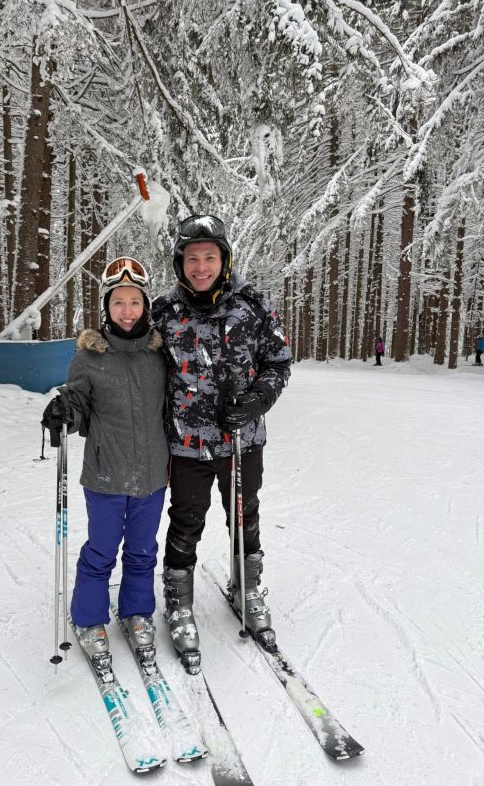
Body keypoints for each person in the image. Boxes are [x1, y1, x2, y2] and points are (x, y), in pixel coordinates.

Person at [152, 214, 292, 667]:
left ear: (224, 260)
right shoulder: (164, 312)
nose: (200, 267)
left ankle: (246, 587)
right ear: (180, 263)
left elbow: (279, 363)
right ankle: (178, 601)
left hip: (241, 441)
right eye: (192, 258)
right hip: (186, 445)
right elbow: (133, 364)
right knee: (186, 519)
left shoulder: (252, 306)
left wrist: (256, 401)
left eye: (209, 257)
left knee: (243, 515)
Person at [42, 257, 169, 658]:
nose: (127, 311)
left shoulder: (159, 354)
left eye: (135, 302)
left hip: (153, 474)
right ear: (106, 307)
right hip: (105, 475)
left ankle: (136, 612)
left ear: (145, 306)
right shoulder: (89, 357)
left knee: (143, 550)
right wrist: (63, 411)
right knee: (102, 549)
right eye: (119, 303)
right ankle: (88, 617)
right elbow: (77, 403)